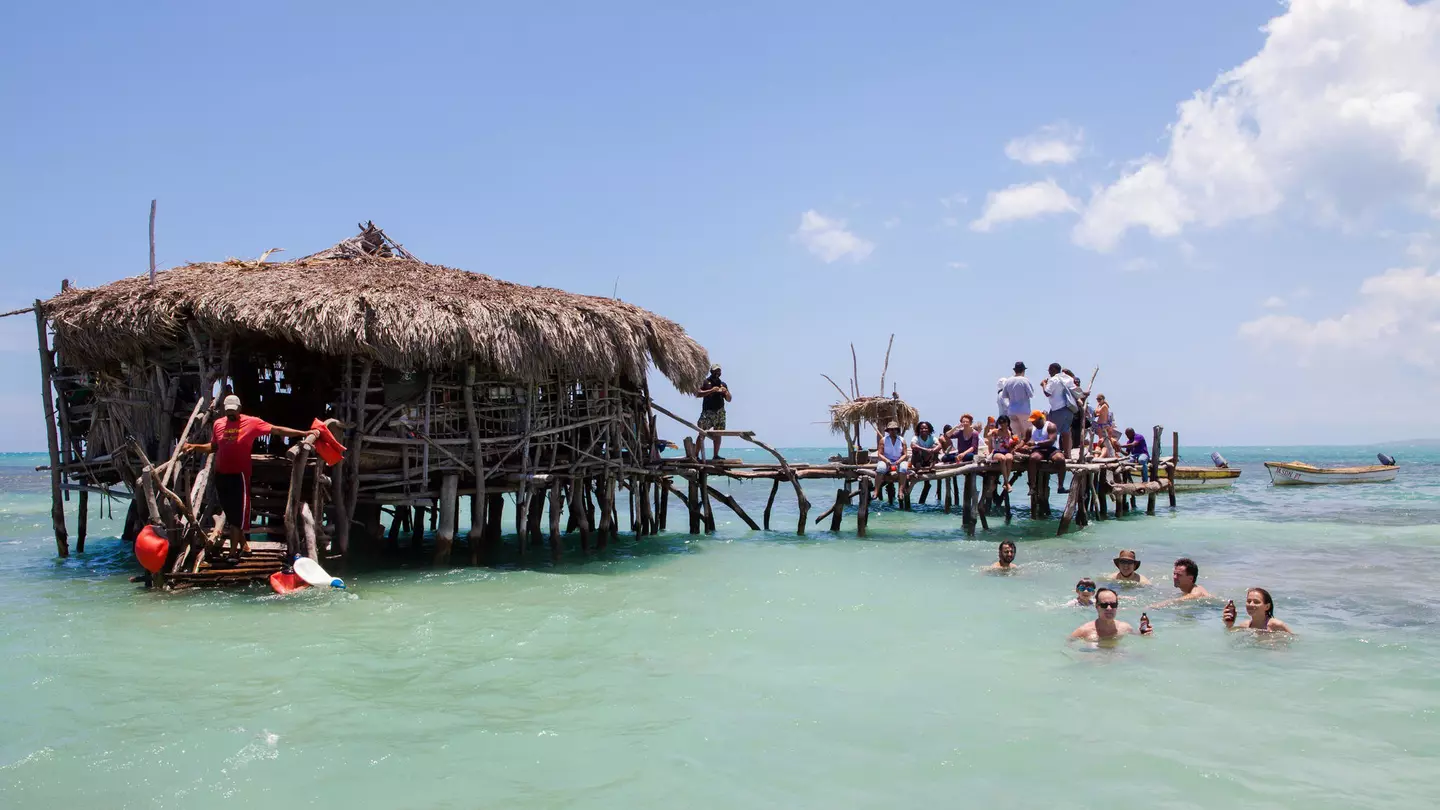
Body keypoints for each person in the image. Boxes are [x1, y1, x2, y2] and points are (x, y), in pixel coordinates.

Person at [180, 395, 320, 558]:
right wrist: (194, 446)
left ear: (240, 408)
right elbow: (214, 446)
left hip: (239, 476)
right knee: (230, 513)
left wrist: (303, 433)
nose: (231, 414)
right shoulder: (218, 424)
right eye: (228, 411)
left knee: (237, 517)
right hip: (221, 475)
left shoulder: (252, 422)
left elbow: (276, 429)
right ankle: (245, 547)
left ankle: (233, 554)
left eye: (234, 410)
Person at [1070, 587, 1150, 640]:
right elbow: (1068, 647)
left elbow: (1140, 636)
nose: (1109, 608)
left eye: (1113, 605)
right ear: (1097, 606)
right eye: (1104, 605)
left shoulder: (1125, 628)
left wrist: (1145, 634)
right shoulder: (1084, 631)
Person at [695, 364, 732, 461]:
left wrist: (726, 393)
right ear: (711, 371)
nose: (717, 373)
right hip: (707, 412)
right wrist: (711, 390)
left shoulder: (722, 384)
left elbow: (729, 399)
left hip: (720, 412)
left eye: (719, 371)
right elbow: (697, 394)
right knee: (702, 433)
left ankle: (715, 455)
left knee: (718, 434)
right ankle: (695, 455)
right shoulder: (705, 382)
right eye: (716, 371)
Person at [1223, 588, 1293, 633]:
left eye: (1256, 602)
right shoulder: (1245, 625)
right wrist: (1229, 625)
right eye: (1249, 601)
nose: (1251, 604)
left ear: (1267, 606)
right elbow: (1228, 636)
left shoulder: (1276, 625)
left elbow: (1294, 640)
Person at [875, 421, 911, 496]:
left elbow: (905, 454)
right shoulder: (883, 440)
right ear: (888, 431)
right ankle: (876, 491)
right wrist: (886, 460)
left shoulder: (902, 440)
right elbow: (880, 454)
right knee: (880, 468)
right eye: (891, 429)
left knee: (904, 468)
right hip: (886, 460)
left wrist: (899, 461)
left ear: (897, 430)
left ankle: (901, 490)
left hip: (899, 460)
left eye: (894, 429)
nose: (893, 431)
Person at [996, 362, 1035, 432]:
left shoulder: (1008, 381)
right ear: (1023, 371)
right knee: (1027, 434)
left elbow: (1004, 395)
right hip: (1024, 411)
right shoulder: (1025, 380)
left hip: (1012, 412)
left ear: (1015, 370)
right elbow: (1031, 395)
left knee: (1016, 436)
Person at [986, 415, 1017, 494]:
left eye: (1004, 422)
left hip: (1006, 451)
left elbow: (1010, 445)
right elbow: (987, 435)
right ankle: (1007, 483)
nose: (1002, 424)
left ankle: (1005, 482)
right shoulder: (996, 431)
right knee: (1003, 458)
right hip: (996, 452)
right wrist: (989, 428)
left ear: (1007, 423)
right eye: (1000, 422)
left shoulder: (1009, 432)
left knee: (1009, 458)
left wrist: (1014, 444)